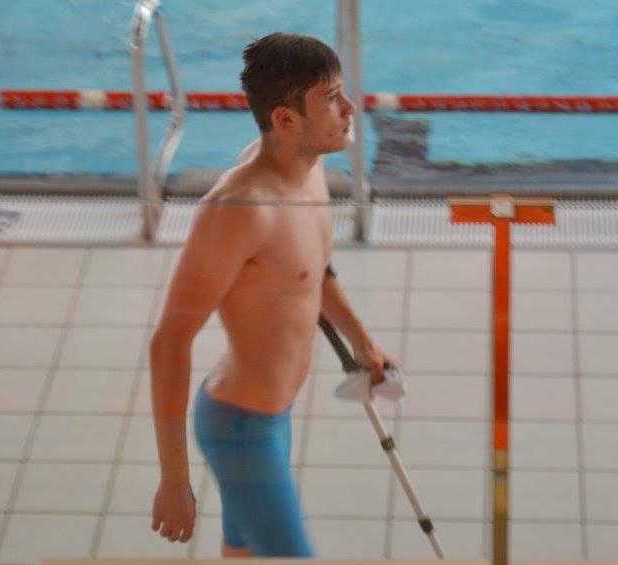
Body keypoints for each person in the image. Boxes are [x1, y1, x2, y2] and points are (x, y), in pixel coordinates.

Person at [148, 32, 399, 557]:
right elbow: (169, 341)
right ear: (286, 120)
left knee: (244, 554)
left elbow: (312, 270)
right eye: (332, 98)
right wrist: (173, 479)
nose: (350, 109)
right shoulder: (238, 212)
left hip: (272, 418)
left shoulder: (309, 169)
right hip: (242, 430)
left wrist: (361, 341)